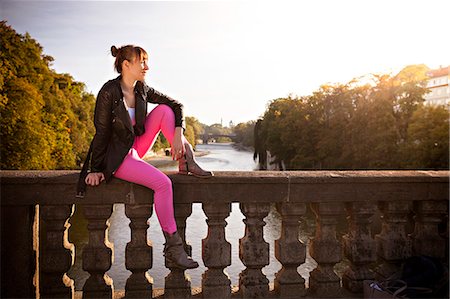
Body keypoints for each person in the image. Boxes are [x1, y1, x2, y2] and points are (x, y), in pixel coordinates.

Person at [77, 44, 213, 269]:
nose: (146, 67)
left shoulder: (141, 89)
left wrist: (178, 136)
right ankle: (174, 249)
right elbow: (101, 133)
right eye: (142, 62)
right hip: (117, 156)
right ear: (126, 64)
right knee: (163, 184)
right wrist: (94, 169)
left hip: (135, 147)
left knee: (164, 111)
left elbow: (176, 105)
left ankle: (186, 159)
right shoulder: (108, 92)